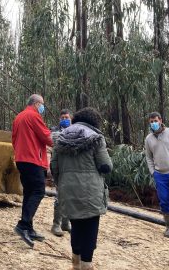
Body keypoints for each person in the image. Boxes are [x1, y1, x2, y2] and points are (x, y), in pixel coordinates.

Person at [51, 107, 112, 270]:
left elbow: (53, 166)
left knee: (76, 227)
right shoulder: (96, 138)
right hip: (91, 191)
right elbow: (106, 166)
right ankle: (87, 265)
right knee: (90, 229)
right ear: (94, 122)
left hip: (67, 189)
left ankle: (75, 264)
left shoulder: (60, 137)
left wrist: (62, 183)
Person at [12, 94, 54, 248]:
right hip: (33, 160)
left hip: (21, 159)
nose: (43, 108)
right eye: (42, 104)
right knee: (38, 191)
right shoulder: (33, 116)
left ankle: (28, 227)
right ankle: (23, 225)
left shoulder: (19, 117)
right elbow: (47, 137)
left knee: (29, 193)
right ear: (37, 104)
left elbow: (14, 138)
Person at [50, 108, 73, 237]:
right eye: (62, 118)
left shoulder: (75, 130)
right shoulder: (54, 131)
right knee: (60, 196)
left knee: (70, 196)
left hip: (71, 168)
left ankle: (66, 222)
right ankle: (56, 224)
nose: (65, 120)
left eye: (67, 118)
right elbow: (56, 142)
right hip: (59, 167)